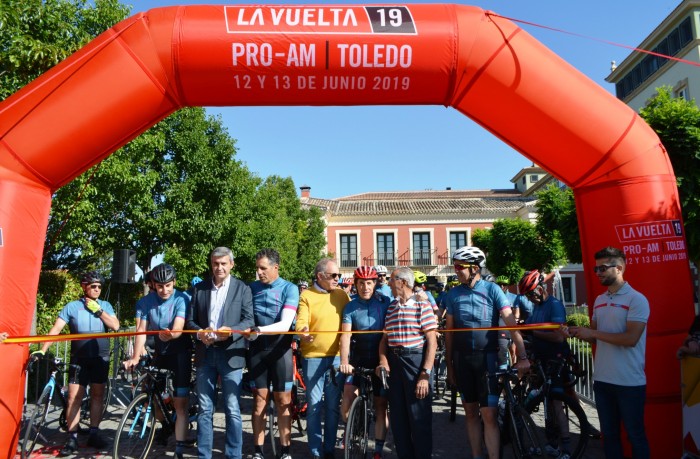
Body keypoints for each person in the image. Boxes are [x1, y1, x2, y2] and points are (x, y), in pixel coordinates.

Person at [443, 246, 529, 459]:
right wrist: (450, 366)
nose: (455, 270)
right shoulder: (453, 294)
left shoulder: (492, 290)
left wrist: (524, 356)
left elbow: (511, 324)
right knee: (470, 414)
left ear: (474, 268)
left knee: (489, 415)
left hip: (488, 359)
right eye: (455, 266)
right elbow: (449, 334)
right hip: (462, 360)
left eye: (459, 267)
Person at [569, 246, 650, 459]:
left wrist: (592, 332)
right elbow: (594, 336)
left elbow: (631, 339)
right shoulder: (599, 300)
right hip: (603, 381)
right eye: (596, 269)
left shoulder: (637, 299)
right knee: (610, 437)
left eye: (603, 268)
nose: (598, 273)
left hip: (630, 383)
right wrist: (574, 332)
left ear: (620, 268)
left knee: (636, 436)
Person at [31, 271, 120, 455]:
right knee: (73, 397)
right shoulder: (72, 307)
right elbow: (56, 329)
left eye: (99, 287)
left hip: (100, 357)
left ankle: (94, 433)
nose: (96, 289)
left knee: (97, 395)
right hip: (79, 358)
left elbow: (116, 326)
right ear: (84, 286)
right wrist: (43, 349)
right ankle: (72, 438)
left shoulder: (105, 305)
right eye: (93, 286)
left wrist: (99, 311)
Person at [185, 246, 255, 459]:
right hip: (205, 353)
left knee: (232, 407)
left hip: (231, 353)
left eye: (224, 263)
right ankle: (204, 455)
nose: (219, 267)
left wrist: (232, 333)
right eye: (216, 263)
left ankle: (234, 455)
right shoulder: (200, 289)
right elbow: (190, 320)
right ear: (211, 264)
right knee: (205, 408)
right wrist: (199, 333)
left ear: (231, 264)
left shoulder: (242, 288)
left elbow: (249, 320)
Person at [124, 263, 193, 458]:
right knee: (152, 395)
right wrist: (135, 357)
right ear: (153, 284)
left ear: (174, 283)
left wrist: (170, 334)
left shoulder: (182, 298)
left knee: (180, 403)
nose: (164, 290)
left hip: (180, 351)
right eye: (160, 286)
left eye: (168, 285)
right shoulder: (145, 302)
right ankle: (164, 423)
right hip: (160, 353)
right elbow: (141, 332)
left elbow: (179, 328)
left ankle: (179, 449)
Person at [376, 266, 437, 459]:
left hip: (415, 361)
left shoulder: (422, 306)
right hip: (395, 363)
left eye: (392, 279)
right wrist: (383, 361)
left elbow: (432, 343)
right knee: (398, 419)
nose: (388, 283)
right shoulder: (392, 307)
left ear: (402, 282)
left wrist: (425, 375)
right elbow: (384, 341)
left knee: (419, 419)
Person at [245, 249, 299, 459]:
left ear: (276, 268)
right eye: (257, 268)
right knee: (259, 401)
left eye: (263, 268)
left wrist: (257, 330)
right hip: (257, 351)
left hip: (280, 350)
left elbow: (285, 325)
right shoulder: (251, 288)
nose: (258, 272)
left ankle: (285, 451)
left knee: (283, 400)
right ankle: (258, 451)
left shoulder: (290, 288)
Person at [295, 258, 350, 459]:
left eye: (338, 275)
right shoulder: (306, 295)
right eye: (333, 275)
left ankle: (329, 450)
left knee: (332, 407)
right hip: (313, 357)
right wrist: (303, 331)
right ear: (320, 276)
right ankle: (316, 451)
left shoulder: (342, 295)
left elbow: (352, 317)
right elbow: (301, 319)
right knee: (314, 405)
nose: (338, 278)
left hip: (336, 357)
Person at [518, 270, 573, 458]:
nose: (530, 298)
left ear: (541, 289)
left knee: (556, 403)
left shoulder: (554, 305)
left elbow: (558, 336)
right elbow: (530, 326)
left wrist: (532, 332)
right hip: (542, 359)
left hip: (555, 358)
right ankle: (552, 443)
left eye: (531, 294)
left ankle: (566, 448)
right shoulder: (538, 307)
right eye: (527, 296)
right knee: (547, 403)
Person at [339, 266, 391, 459]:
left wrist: (384, 362)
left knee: (380, 406)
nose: (365, 287)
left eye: (369, 283)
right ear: (355, 283)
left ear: (375, 283)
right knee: (346, 402)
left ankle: (377, 450)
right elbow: (345, 336)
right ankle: (353, 428)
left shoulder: (385, 303)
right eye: (361, 283)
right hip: (357, 359)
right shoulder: (350, 306)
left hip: (380, 360)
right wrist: (345, 361)